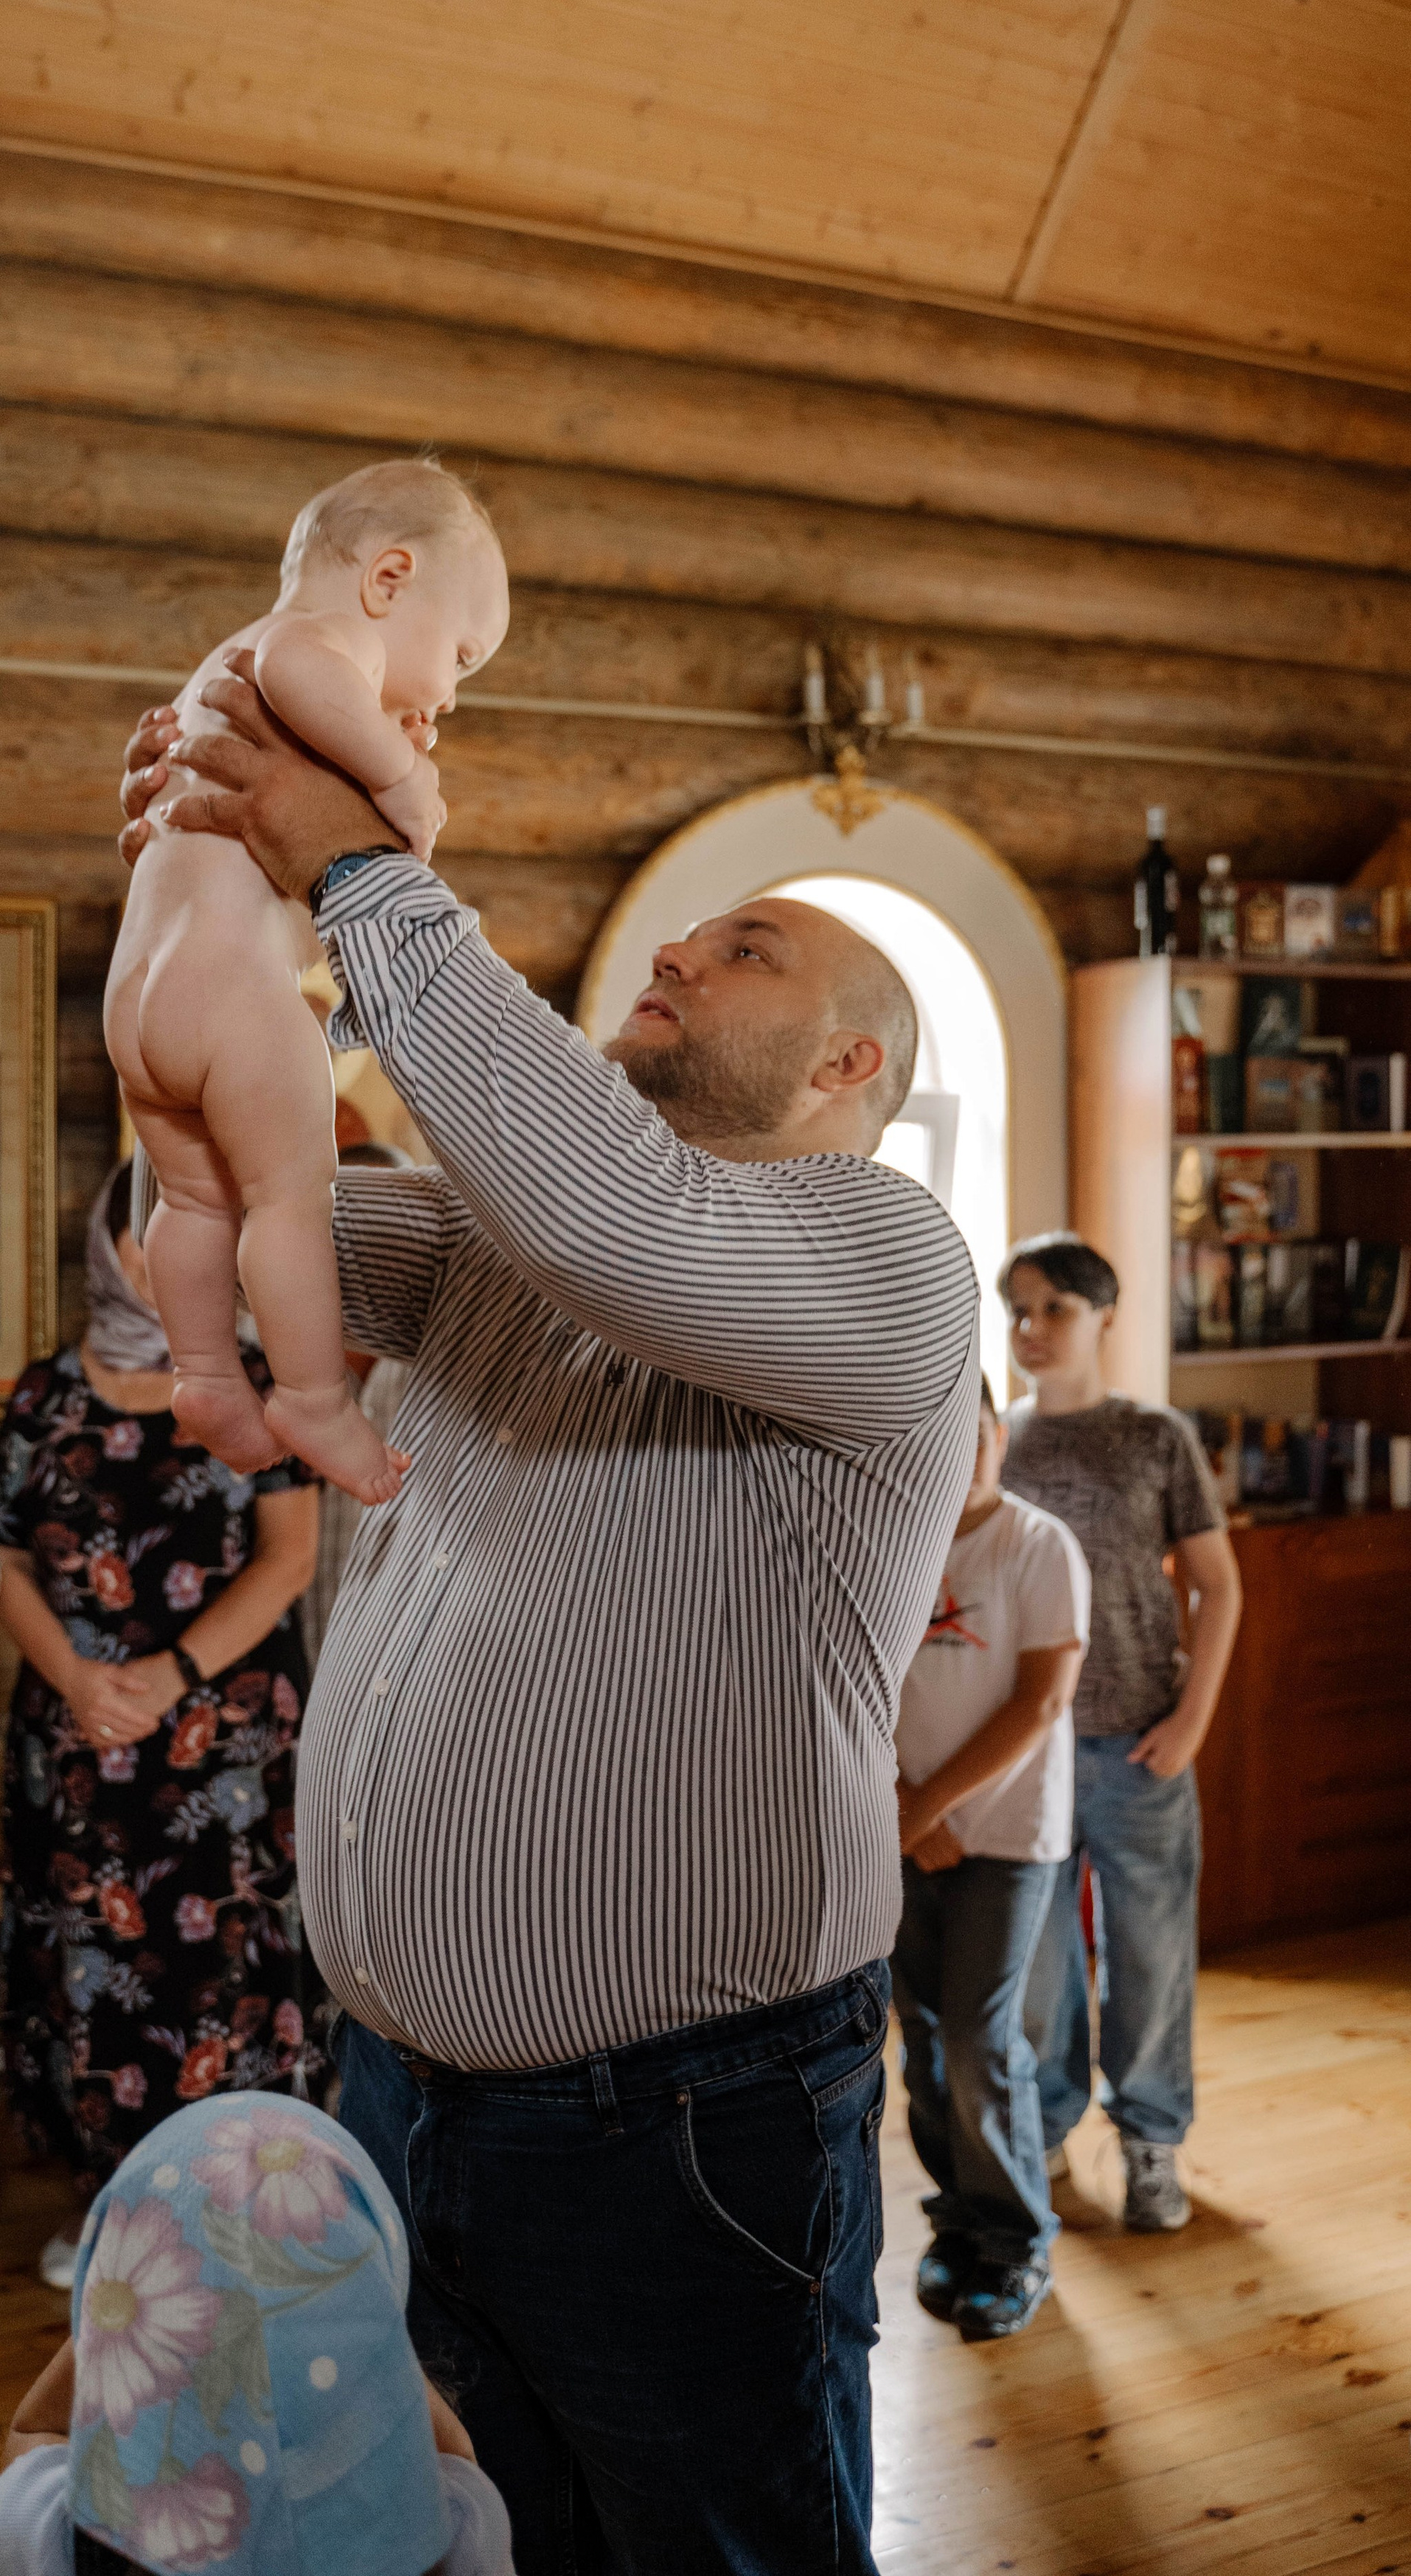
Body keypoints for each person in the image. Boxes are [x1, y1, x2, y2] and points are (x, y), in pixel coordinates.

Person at [113, 675, 979, 2576]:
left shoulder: (892, 1262)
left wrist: (358, 874)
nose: (676, 950)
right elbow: (210, 1249)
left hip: (675, 2128)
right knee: (479, 2542)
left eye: (743, 952)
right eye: (688, 934)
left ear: (846, 1068)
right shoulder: (501, 1240)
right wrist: (198, 956)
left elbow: (613, 1217)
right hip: (400, 2092)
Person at [103, 456, 509, 1503]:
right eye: (460, 656)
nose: (450, 696)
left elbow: (297, 859)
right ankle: (314, 1399)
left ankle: (204, 1375)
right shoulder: (309, 643)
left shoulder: (218, 682)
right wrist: (402, 775)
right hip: (232, 991)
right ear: (389, 581)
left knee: (193, 1201)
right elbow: (305, 670)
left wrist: (374, 770)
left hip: (140, 997)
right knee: (290, 1199)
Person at [0, 1165, 323, 2293]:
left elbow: (290, 1558)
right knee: (87, 1969)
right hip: (78, 1740)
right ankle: (111, 2207)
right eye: (152, 1233)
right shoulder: (44, 1396)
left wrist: (167, 1676)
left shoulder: (260, 1381)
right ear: (112, 1247)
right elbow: (0, 1557)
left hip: (222, 1750)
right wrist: (80, 1681)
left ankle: (233, 2212)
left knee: (221, 1967)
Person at [0, 2094, 515, 2576]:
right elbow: (456, 2456)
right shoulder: (454, 2527)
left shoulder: (50, 2533)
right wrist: (366, 2327)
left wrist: (126, 2317)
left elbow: (33, 2431)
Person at [999, 1233, 1242, 2233]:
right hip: (1027, 1756)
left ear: (1104, 1315)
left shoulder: (1155, 1436)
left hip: (1142, 1745)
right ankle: (1048, 2126)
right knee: (1039, 1966)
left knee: (1148, 1958)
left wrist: (1192, 1719)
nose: (1032, 1328)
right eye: (1019, 1310)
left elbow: (1218, 1586)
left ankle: (1150, 2141)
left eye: (1054, 1307)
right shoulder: (997, 1440)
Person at [891, 1377, 1089, 2342]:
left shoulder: (1038, 1544)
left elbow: (1042, 1701)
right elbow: (847, 1684)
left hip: (1007, 1838)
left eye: (972, 1435)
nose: (960, 1455)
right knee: (925, 2045)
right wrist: (900, 1804)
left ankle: (1015, 2241)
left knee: (978, 2039)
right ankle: (959, 2221)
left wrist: (927, 1804)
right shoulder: (892, 1542)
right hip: (904, 1830)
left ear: (998, 1436)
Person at [302, 1141, 416, 1669]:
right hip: (290, 1671)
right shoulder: (259, 1360)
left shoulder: (459, 1371)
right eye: (339, 1224)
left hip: (412, 1668)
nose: (360, 1251)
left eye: (386, 1230)